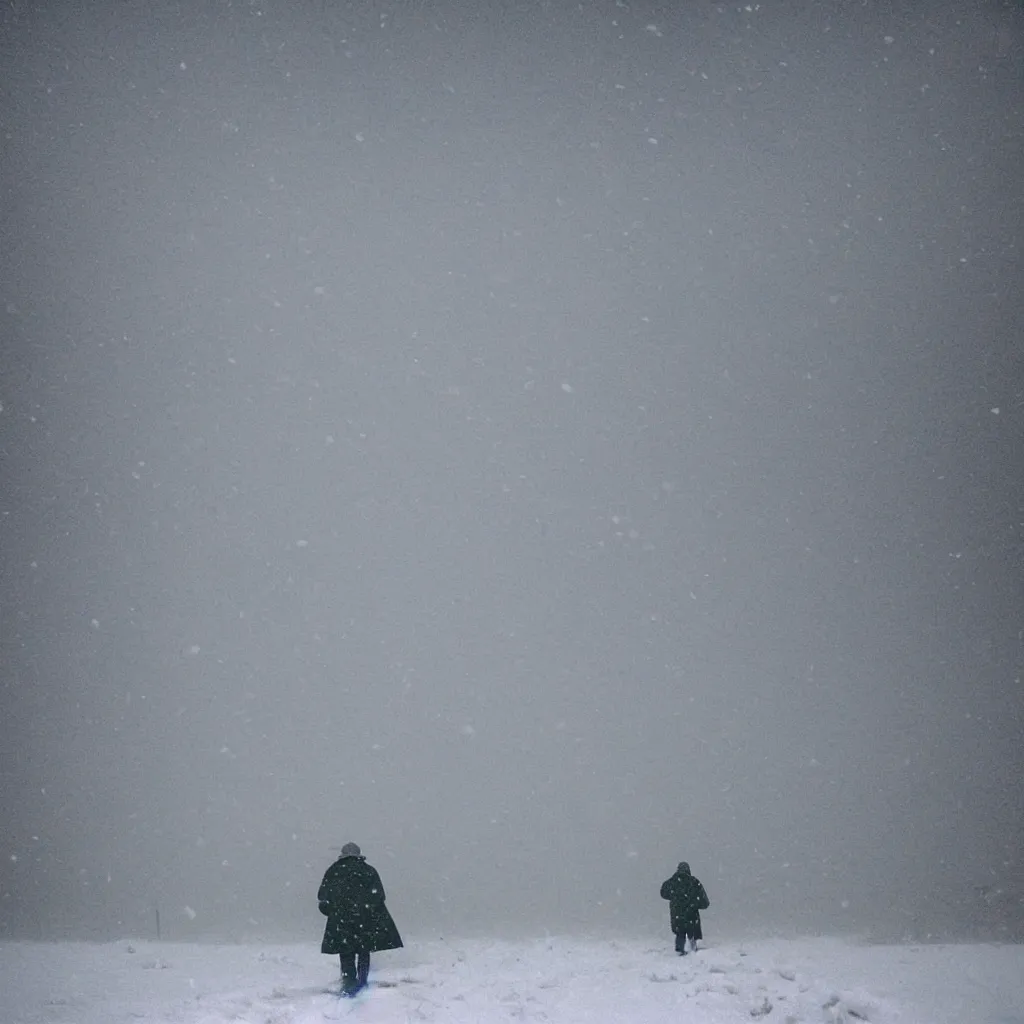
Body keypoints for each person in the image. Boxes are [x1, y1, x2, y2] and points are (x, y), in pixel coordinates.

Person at [318, 842, 403, 996]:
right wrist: (368, 909)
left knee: (346, 951)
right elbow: (379, 896)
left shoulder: (334, 871)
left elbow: (323, 897)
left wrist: (333, 910)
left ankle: (349, 981)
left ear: (343, 854)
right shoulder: (368, 871)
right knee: (364, 950)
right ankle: (362, 980)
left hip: (341, 920)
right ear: (359, 854)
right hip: (364, 920)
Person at [660, 861, 710, 954]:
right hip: (692, 914)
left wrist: (674, 897)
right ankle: (695, 951)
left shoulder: (672, 881)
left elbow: (663, 893)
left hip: (677, 913)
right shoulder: (694, 882)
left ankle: (679, 951)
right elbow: (705, 902)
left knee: (680, 933)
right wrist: (695, 904)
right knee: (693, 934)